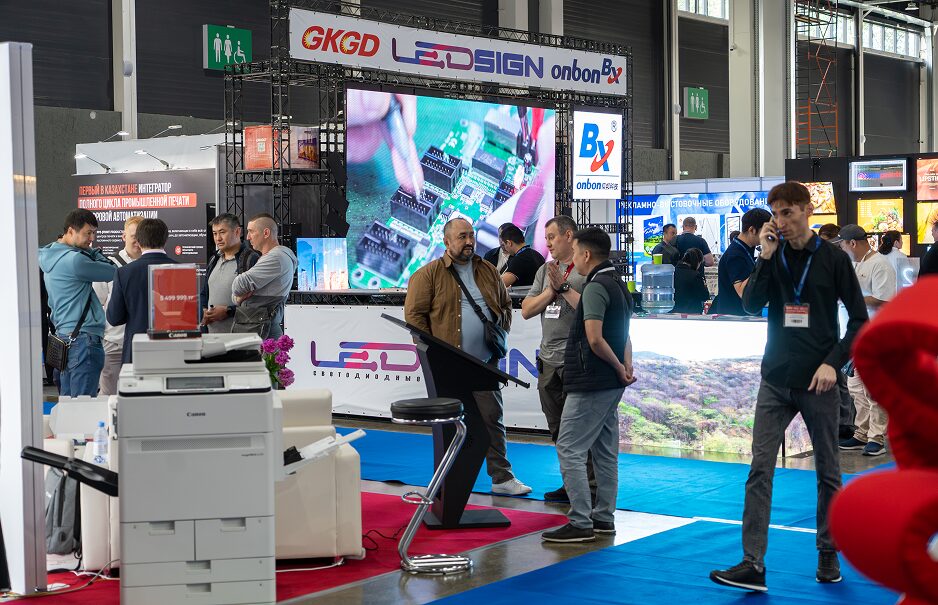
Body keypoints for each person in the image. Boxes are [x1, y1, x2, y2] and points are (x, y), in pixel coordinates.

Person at [709, 181, 867, 592]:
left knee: (828, 472)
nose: (781, 221)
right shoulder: (772, 255)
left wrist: (834, 363)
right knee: (759, 469)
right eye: (776, 214)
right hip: (776, 378)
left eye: (788, 213)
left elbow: (859, 321)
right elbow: (750, 304)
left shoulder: (833, 259)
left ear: (807, 210)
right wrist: (764, 256)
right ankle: (752, 563)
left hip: (819, 381)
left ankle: (828, 554)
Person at [404, 217, 531, 496]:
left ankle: (502, 479)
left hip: (484, 363)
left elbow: (505, 305)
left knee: (492, 420)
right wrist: (435, 354)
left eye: (471, 235)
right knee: (450, 426)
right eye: (462, 236)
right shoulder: (428, 274)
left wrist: (498, 334)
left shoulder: (487, 270)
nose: (469, 241)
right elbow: (414, 318)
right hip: (448, 364)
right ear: (446, 241)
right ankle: (448, 484)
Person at [541, 227, 634, 543]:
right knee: (605, 452)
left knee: (569, 447)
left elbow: (594, 339)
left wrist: (619, 367)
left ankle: (580, 521)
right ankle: (603, 518)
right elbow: (625, 335)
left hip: (591, 380)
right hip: (609, 382)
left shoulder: (596, 287)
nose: (574, 259)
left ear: (586, 254)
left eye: (576, 252)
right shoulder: (618, 284)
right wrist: (625, 367)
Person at [520, 215, 593, 503]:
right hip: (548, 361)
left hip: (576, 360)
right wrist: (551, 290)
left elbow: (590, 310)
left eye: (552, 237)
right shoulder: (545, 270)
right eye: (547, 238)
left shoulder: (585, 268)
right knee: (558, 430)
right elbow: (527, 309)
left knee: (580, 429)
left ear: (569, 235)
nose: (548, 243)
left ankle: (590, 488)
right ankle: (570, 484)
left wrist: (563, 288)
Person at [38, 210, 117, 397]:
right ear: (71, 231)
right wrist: (92, 252)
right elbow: (113, 271)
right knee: (83, 405)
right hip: (83, 341)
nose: (92, 239)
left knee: (68, 404)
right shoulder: (76, 260)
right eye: (88, 233)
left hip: (63, 338)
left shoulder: (47, 256)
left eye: (94, 233)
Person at [835, 224, 896, 457]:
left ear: (852, 243)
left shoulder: (880, 264)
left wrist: (850, 297)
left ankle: (877, 437)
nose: (841, 249)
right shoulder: (854, 264)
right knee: (856, 388)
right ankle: (862, 433)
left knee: (873, 388)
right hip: (853, 336)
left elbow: (883, 300)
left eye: (842, 244)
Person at [107, 218, 175, 364]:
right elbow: (193, 316)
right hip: (173, 351)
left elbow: (114, 318)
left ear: (138, 240)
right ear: (166, 239)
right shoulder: (182, 270)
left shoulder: (124, 273)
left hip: (136, 350)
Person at [92, 216, 143, 395]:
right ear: (123, 236)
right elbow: (97, 302)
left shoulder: (152, 265)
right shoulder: (108, 266)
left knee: (140, 396)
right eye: (134, 236)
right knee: (109, 397)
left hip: (143, 344)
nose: (137, 241)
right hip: (114, 344)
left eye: (141, 236)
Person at [231, 214, 298, 340]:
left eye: (251, 231)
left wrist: (239, 296)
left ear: (266, 233)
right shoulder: (276, 256)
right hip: (259, 327)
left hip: (262, 330)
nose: (248, 237)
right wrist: (238, 297)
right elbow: (236, 295)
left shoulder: (276, 257)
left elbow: (238, 286)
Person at [200, 214, 259, 334]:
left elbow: (256, 303)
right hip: (211, 337)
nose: (218, 238)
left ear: (237, 231)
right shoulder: (214, 259)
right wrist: (203, 311)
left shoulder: (250, 259)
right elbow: (204, 293)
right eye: (215, 233)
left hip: (240, 337)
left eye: (222, 232)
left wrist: (228, 311)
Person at [711, 208, 772, 315]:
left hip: (741, 316)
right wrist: (763, 260)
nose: (767, 236)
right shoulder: (735, 255)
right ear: (752, 230)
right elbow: (742, 292)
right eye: (765, 231)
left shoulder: (745, 250)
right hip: (735, 318)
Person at [672, 249, 710, 314]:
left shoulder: (672, 272)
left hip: (673, 312)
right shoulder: (695, 275)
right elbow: (704, 296)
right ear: (697, 262)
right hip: (692, 313)